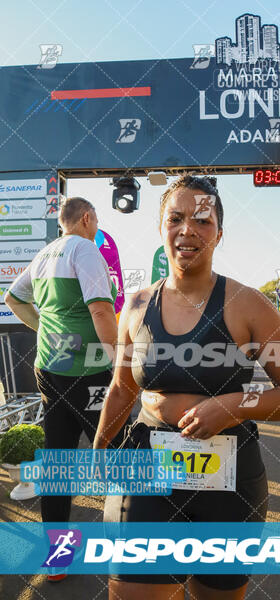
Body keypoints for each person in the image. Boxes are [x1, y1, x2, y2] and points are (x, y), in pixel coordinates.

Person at [93, 175, 280, 600]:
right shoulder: (136, 307)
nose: (187, 229)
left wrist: (234, 405)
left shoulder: (248, 304)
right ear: (161, 228)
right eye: (175, 218)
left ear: (219, 233)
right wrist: (101, 453)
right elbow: (122, 390)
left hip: (228, 485)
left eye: (202, 220)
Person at [5, 197, 129, 560]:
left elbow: (13, 299)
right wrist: (120, 366)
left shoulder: (46, 253)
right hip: (87, 372)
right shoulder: (86, 249)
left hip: (49, 370)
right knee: (118, 457)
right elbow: (102, 310)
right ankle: (129, 548)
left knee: (58, 464)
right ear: (87, 218)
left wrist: (45, 328)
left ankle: (57, 556)